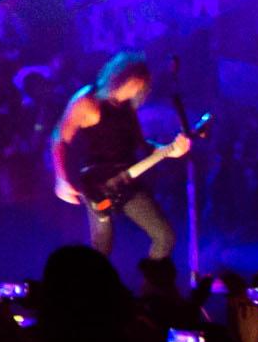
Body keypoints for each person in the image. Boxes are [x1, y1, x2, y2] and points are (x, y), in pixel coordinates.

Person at [51, 51, 189, 263]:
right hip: (97, 186)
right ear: (119, 77)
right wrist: (61, 178)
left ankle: (152, 281)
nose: (135, 91)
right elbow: (59, 138)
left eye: (140, 87)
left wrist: (171, 150)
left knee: (164, 236)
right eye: (133, 84)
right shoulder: (88, 101)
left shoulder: (127, 107)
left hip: (127, 181)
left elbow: (143, 146)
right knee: (102, 248)